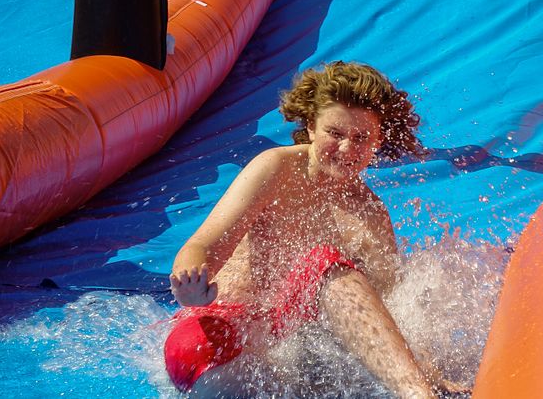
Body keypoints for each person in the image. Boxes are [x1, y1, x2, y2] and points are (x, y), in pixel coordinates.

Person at [165, 61, 453, 397]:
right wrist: (191, 283)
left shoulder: (369, 214)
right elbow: (203, 245)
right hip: (223, 337)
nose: (347, 149)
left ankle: (419, 393)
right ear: (312, 126)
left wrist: (430, 372)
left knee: (325, 267)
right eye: (335, 133)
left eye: (362, 138)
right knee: (321, 263)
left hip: (293, 356)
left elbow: (391, 314)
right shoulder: (277, 169)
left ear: (378, 142)